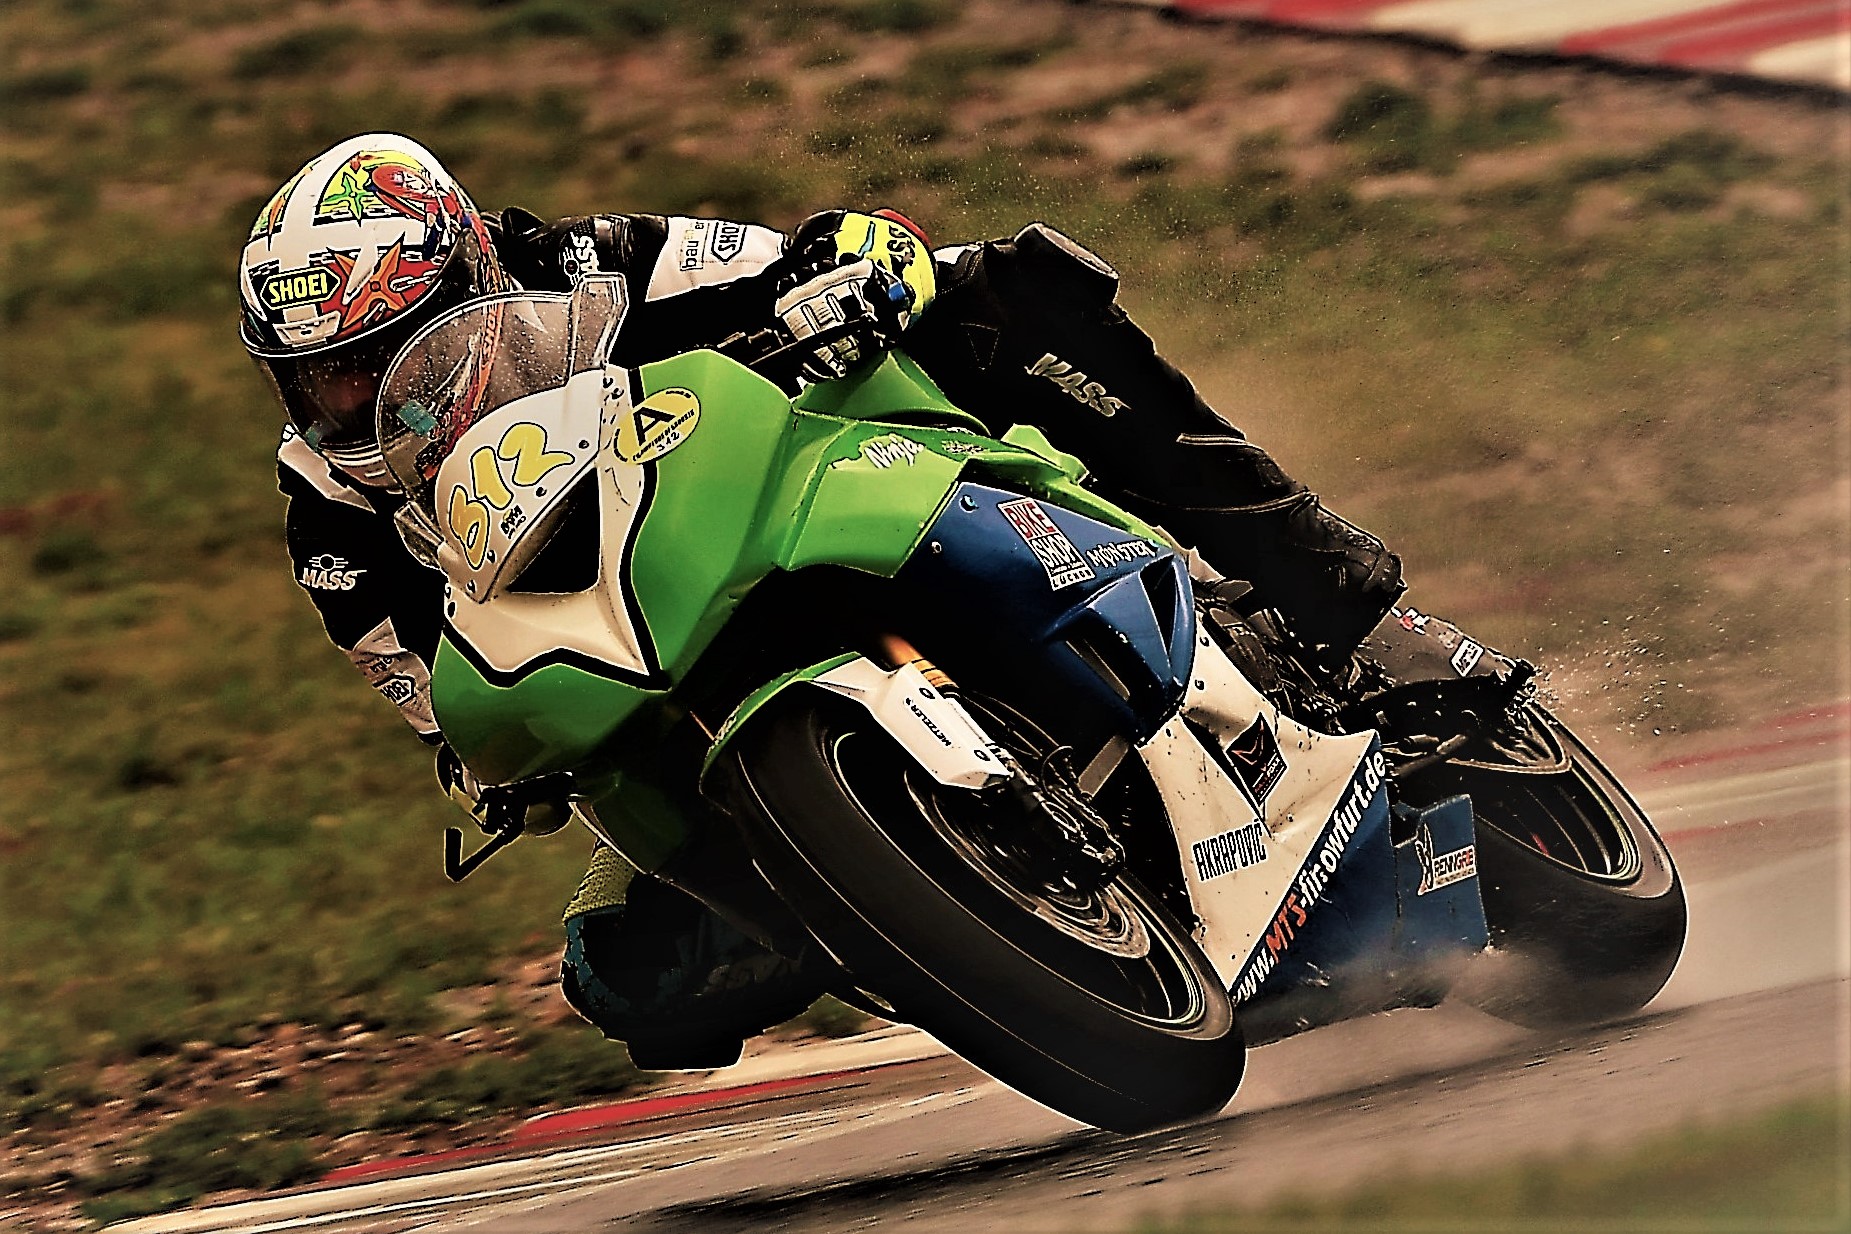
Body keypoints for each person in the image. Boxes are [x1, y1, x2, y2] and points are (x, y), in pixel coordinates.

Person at [240, 133, 1404, 1068]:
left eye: (374, 361)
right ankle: (927, 913)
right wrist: (492, 764)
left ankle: (1308, 571)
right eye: (315, 383)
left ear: (472, 277)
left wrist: (853, 267)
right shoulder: (329, 504)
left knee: (998, 290)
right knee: (624, 971)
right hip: (642, 692)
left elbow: (802, 254)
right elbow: (423, 685)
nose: (352, 403)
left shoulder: (590, 263)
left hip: (790, 517)